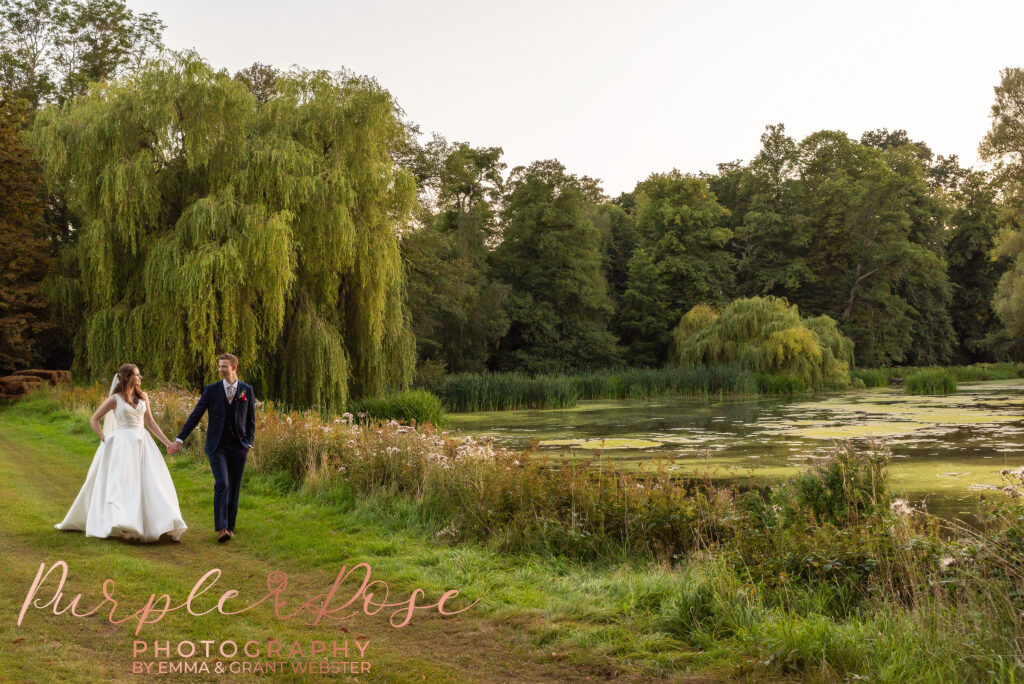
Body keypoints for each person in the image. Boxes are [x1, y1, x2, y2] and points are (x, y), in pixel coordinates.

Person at [55, 364, 187, 542]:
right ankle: (124, 524)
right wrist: (105, 438)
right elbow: (94, 420)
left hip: (142, 443)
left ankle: (159, 523)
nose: (140, 378)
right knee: (122, 485)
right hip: (122, 445)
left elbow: (151, 423)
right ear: (127, 377)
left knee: (151, 482)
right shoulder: (115, 399)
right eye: (137, 375)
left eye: (140, 375)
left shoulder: (143, 397)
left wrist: (168, 443)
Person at [169, 353, 255, 543]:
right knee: (222, 482)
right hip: (217, 446)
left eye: (224, 366)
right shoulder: (212, 390)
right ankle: (222, 528)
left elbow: (251, 420)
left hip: (239, 447)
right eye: (219, 366)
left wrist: (249, 442)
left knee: (234, 487)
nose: (220, 369)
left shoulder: (246, 391)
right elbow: (195, 415)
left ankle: (230, 526)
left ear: (234, 368)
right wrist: (180, 439)